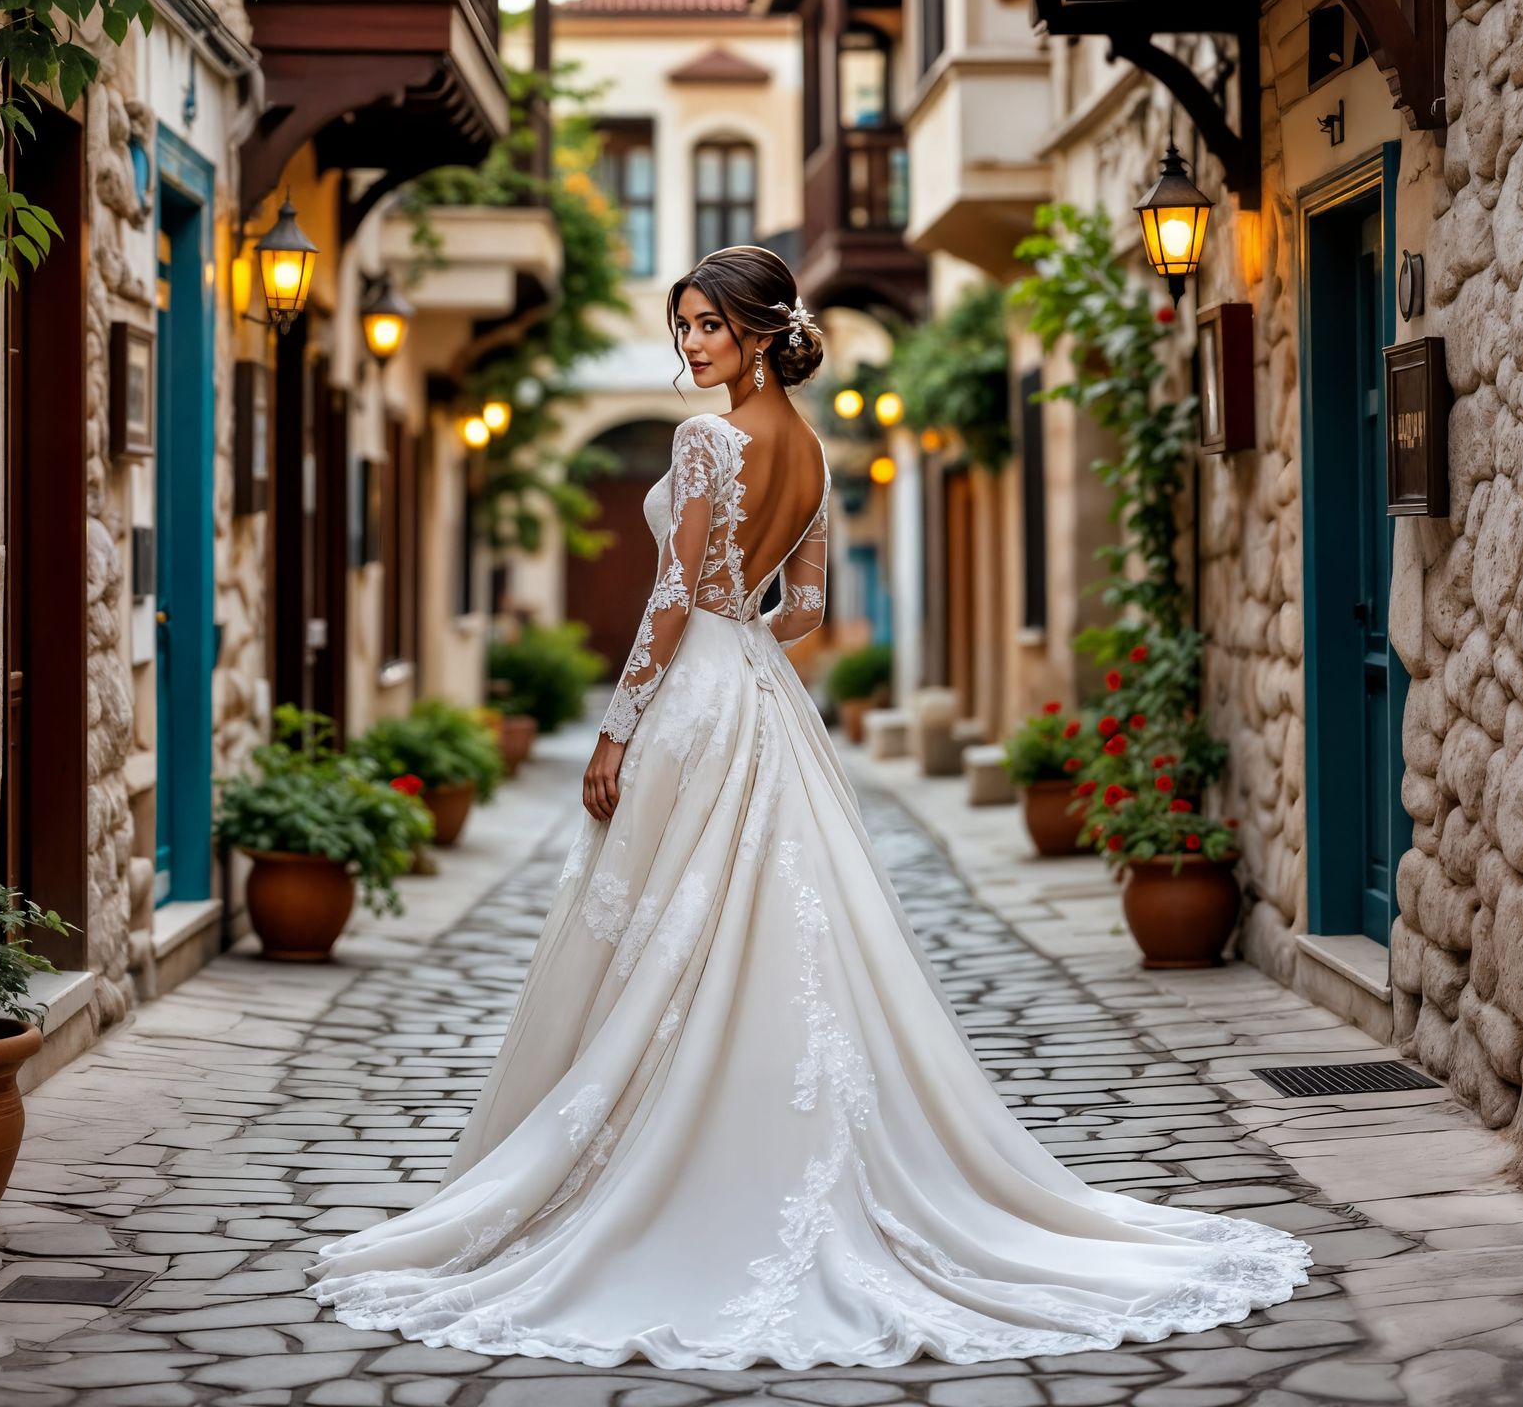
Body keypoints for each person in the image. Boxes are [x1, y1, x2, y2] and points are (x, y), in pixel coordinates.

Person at [307, 246, 1312, 1369]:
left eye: (706, 326)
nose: (689, 345)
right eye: (681, 324)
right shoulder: (815, 450)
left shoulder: (705, 440)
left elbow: (673, 595)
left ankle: (674, 1152)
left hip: (696, 703)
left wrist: (616, 726)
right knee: (761, 920)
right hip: (758, 699)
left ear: (755, 332)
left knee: (663, 922)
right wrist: (744, 652)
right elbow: (807, 608)